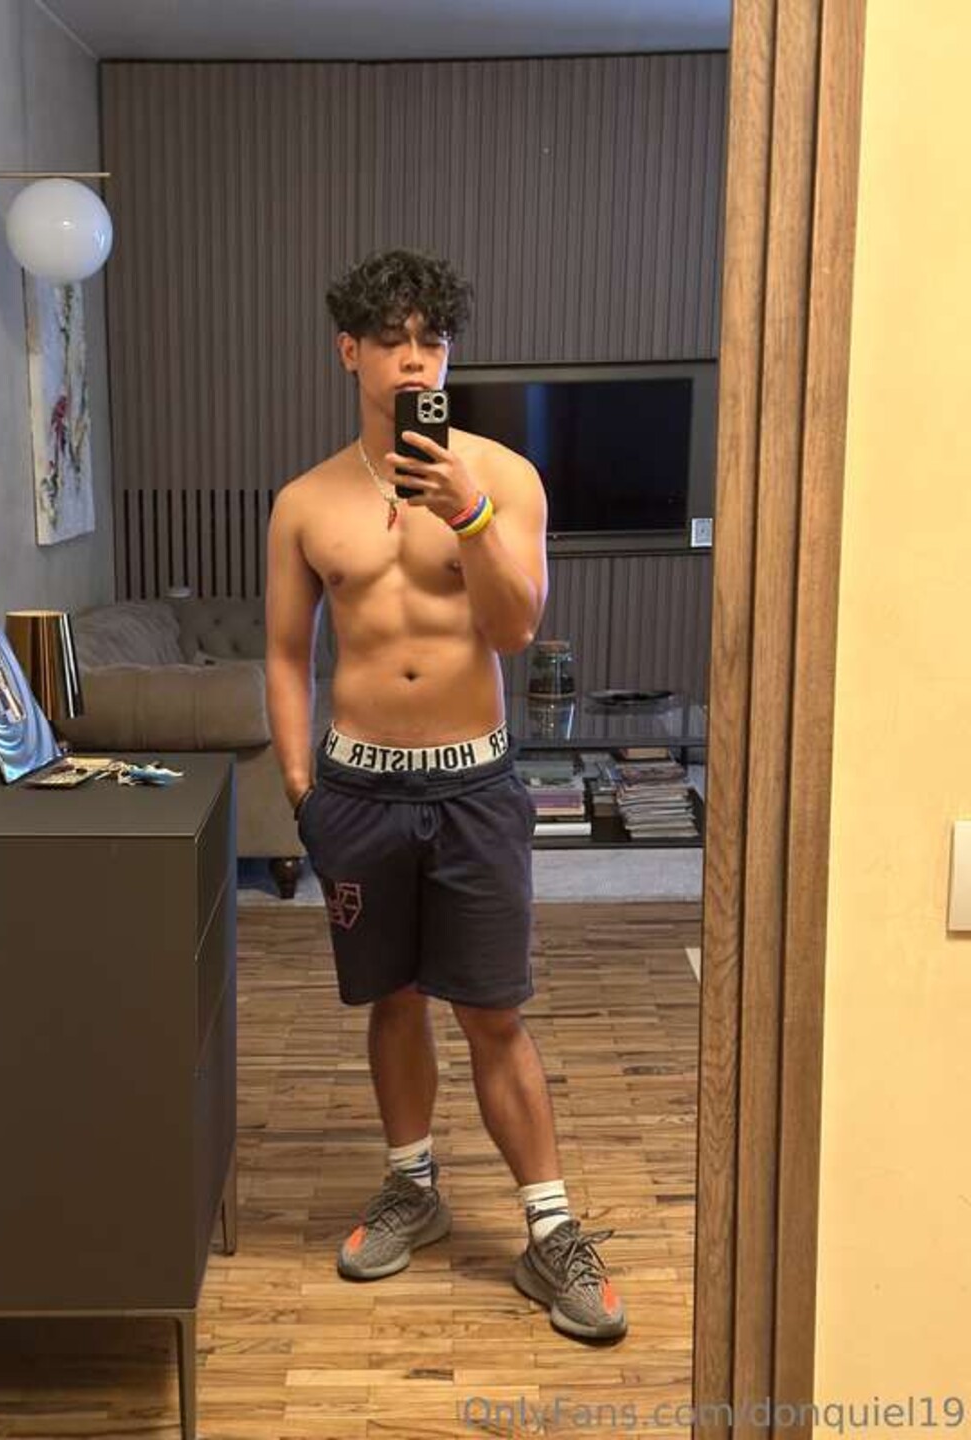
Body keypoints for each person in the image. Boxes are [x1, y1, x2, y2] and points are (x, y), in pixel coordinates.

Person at [264, 247, 627, 1342]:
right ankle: (412, 1186)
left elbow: (514, 630)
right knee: (393, 998)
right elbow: (286, 654)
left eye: (432, 341)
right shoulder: (305, 503)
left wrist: (469, 516)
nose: (415, 360)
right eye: (392, 341)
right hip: (356, 787)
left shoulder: (504, 477)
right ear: (351, 352)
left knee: (493, 1012)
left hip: (474, 782)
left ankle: (550, 1228)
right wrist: (299, 786)